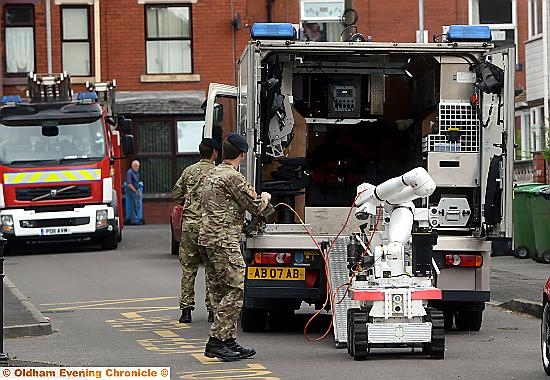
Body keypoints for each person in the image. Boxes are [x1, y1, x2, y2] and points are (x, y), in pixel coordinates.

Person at [199, 133, 271, 361]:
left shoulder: (212, 174)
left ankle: (228, 341)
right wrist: (266, 197)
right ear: (242, 154)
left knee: (220, 291)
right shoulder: (233, 177)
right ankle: (216, 341)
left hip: (207, 239)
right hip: (223, 240)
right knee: (236, 289)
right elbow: (256, 205)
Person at [172, 138, 219, 324]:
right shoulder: (217, 173)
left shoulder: (188, 171)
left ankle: (186, 311)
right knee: (211, 269)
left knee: (188, 269)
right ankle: (212, 311)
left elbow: (176, 194)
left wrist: (189, 201)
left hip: (190, 226)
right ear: (214, 152)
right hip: (209, 227)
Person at [126, 160, 141, 225]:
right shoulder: (130, 172)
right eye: (136, 166)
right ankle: (134, 221)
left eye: (138, 166)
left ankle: (136, 219)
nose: (137, 167)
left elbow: (137, 183)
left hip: (136, 190)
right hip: (132, 191)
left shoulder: (136, 173)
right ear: (133, 166)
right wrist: (134, 190)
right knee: (133, 205)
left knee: (137, 205)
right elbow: (129, 183)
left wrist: (139, 191)